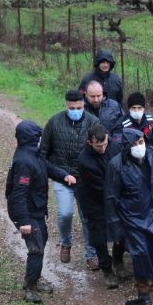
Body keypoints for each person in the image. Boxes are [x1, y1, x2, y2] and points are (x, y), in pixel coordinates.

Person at [6, 120, 76, 303]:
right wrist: (23, 221)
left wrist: (64, 176)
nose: (41, 140)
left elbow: (47, 167)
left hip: (36, 210)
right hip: (27, 212)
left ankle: (33, 280)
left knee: (41, 241)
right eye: (38, 137)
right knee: (36, 248)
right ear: (32, 138)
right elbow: (18, 194)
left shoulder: (34, 154)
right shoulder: (24, 161)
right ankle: (29, 287)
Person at [106, 128, 153, 305]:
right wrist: (115, 226)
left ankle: (149, 276)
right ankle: (143, 290)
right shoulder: (117, 165)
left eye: (141, 142)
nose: (139, 146)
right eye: (135, 143)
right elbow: (111, 197)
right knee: (139, 252)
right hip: (131, 215)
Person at [38, 90, 100, 269]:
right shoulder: (54, 122)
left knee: (87, 217)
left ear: (83, 105)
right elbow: (43, 155)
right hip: (62, 177)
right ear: (66, 106)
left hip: (85, 179)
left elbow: (100, 150)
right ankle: (66, 242)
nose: (75, 110)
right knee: (65, 213)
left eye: (79, 107)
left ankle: (91, 253)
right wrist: (60, 174)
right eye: (72, 108)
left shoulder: (93, 122)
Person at [76, 124, 126, 288]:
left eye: (105, 144)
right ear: (90, 142)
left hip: (116, 196)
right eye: (99, 146)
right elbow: (100, 187)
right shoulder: (85, 160)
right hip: (94, 200)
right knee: (98, 236)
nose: (103, 148)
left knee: (122, 229)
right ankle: (106, 268)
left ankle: (118, 260)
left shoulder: (114, 147)